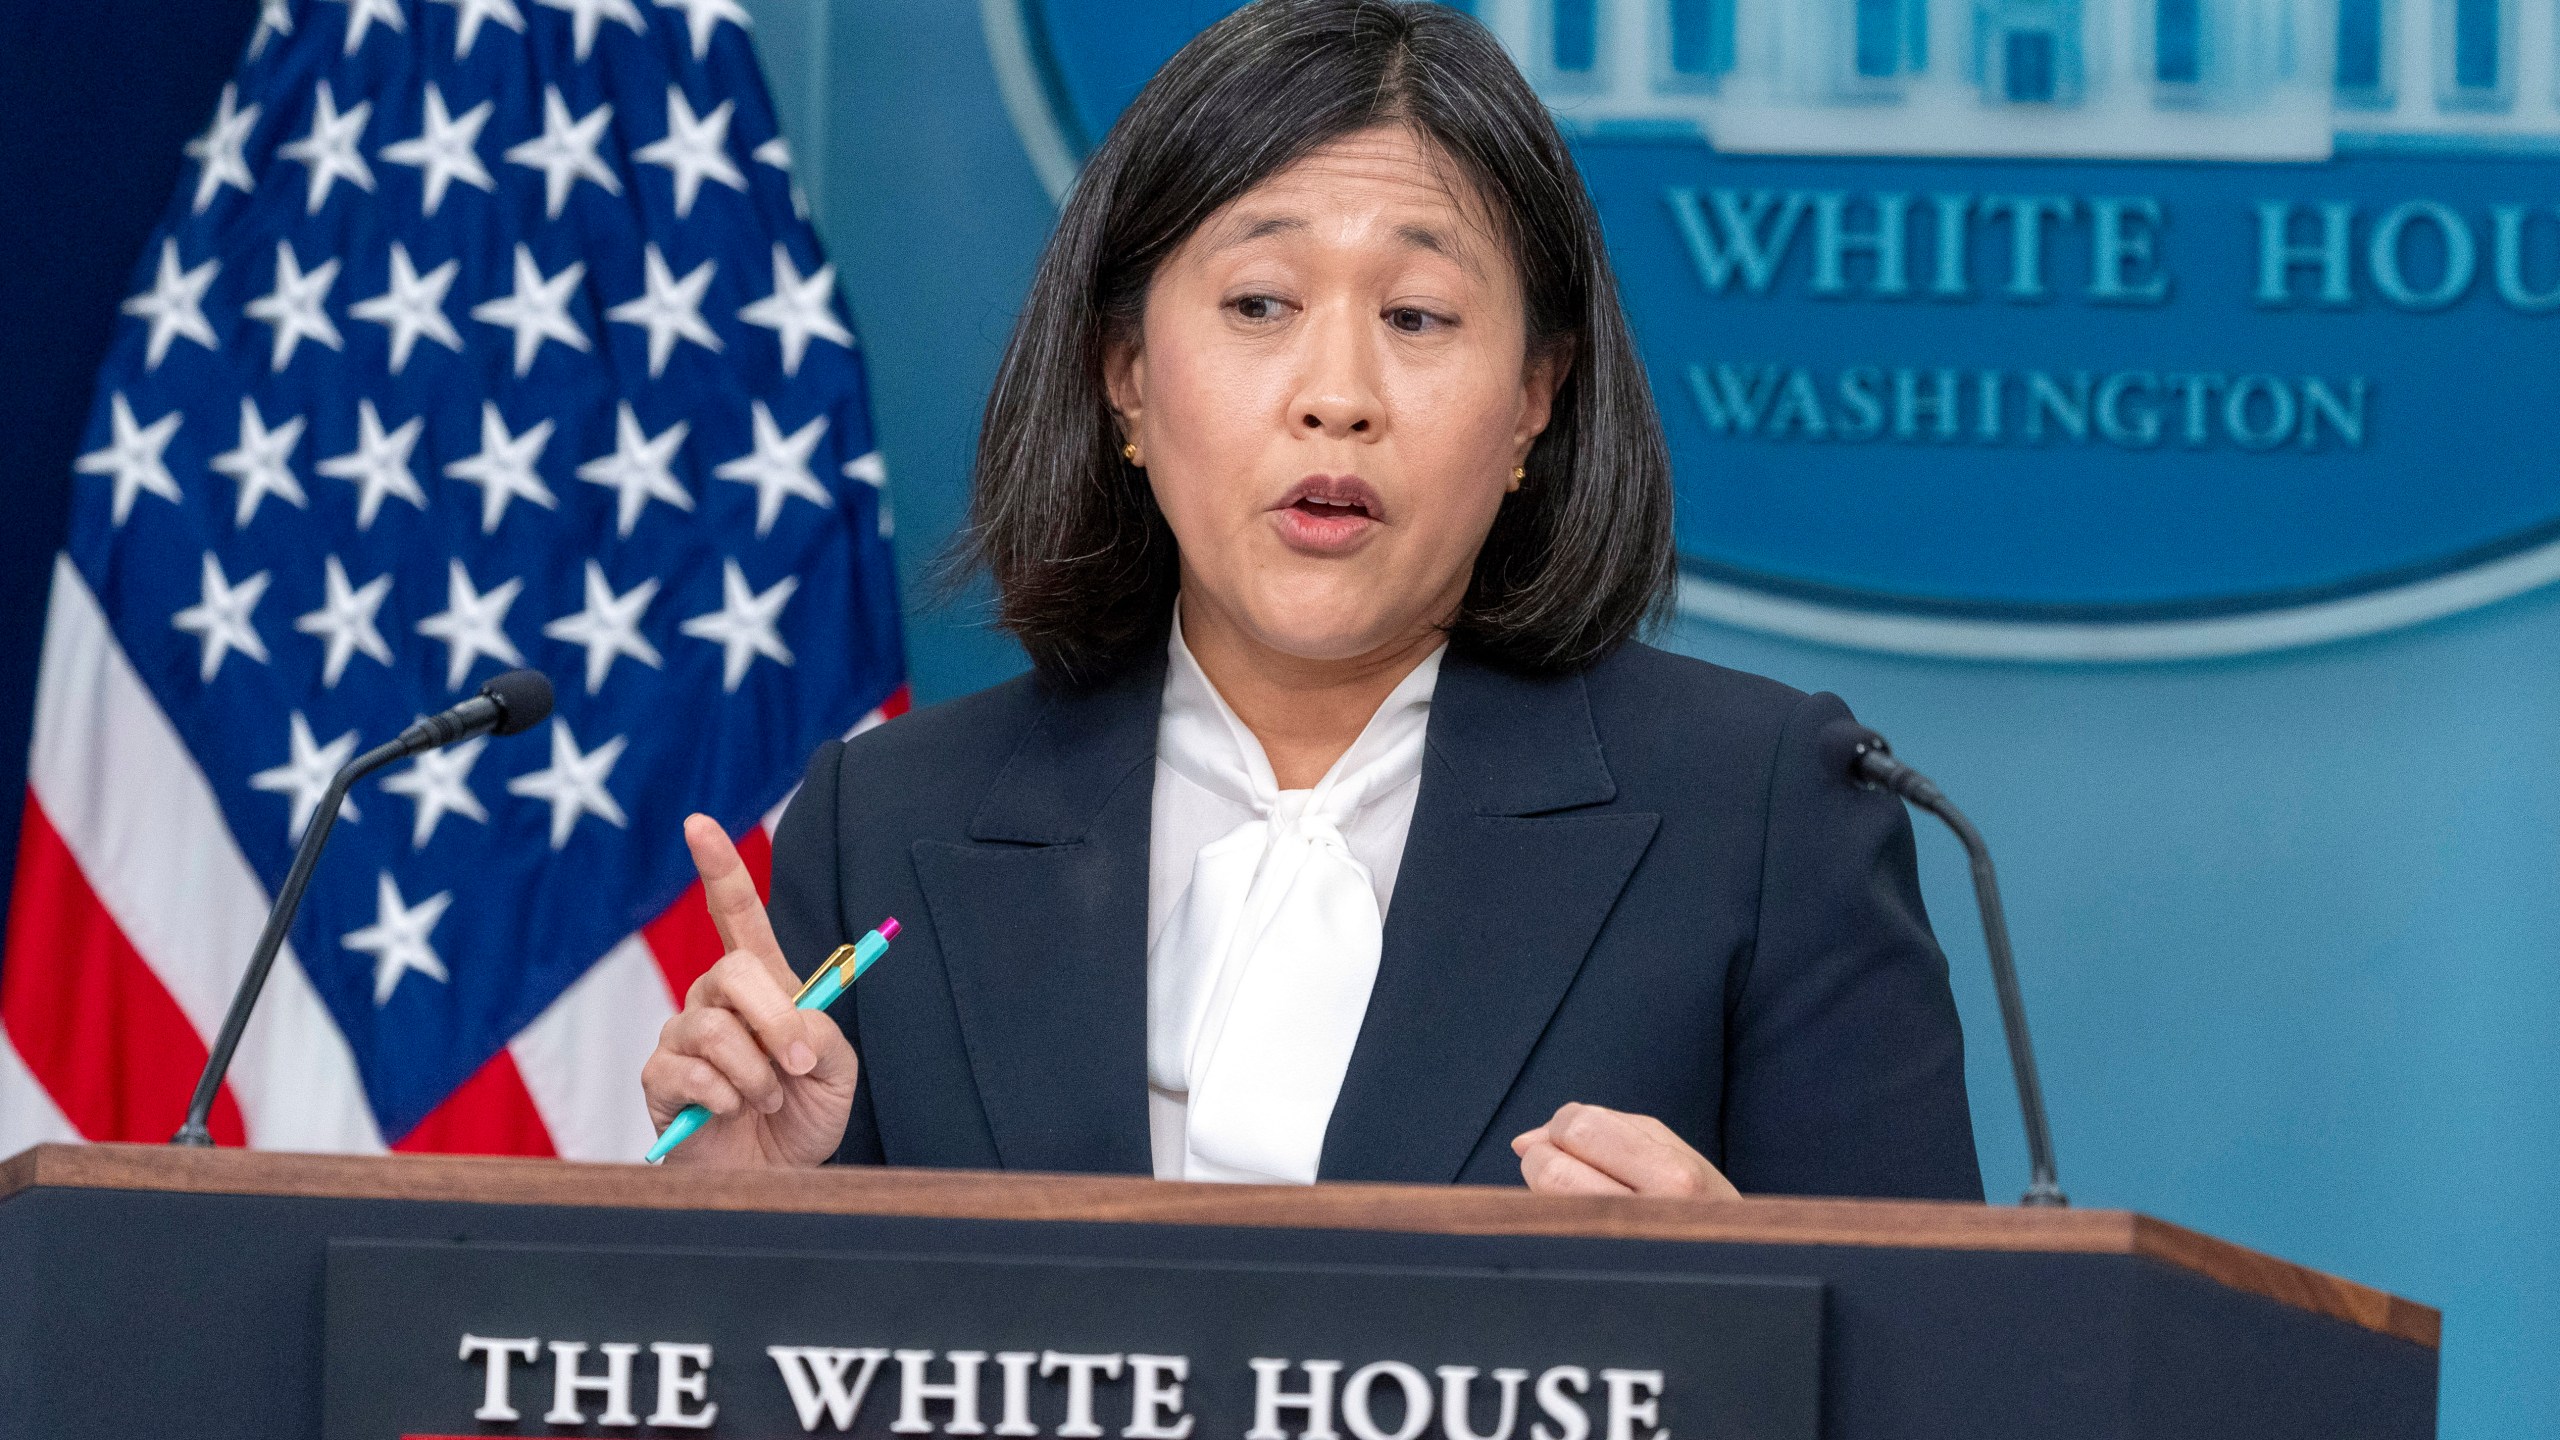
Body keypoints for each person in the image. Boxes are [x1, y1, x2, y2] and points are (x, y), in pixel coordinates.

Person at [640, 0, 1982, 1200]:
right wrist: (744, 1221)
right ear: (1125, 378)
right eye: (1262, 301)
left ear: (1534, 402)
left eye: (1418, 316)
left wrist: (1748, 1321)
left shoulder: (1763, 815)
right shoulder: (890, 826)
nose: (1335, 391)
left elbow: (1944, 1379)